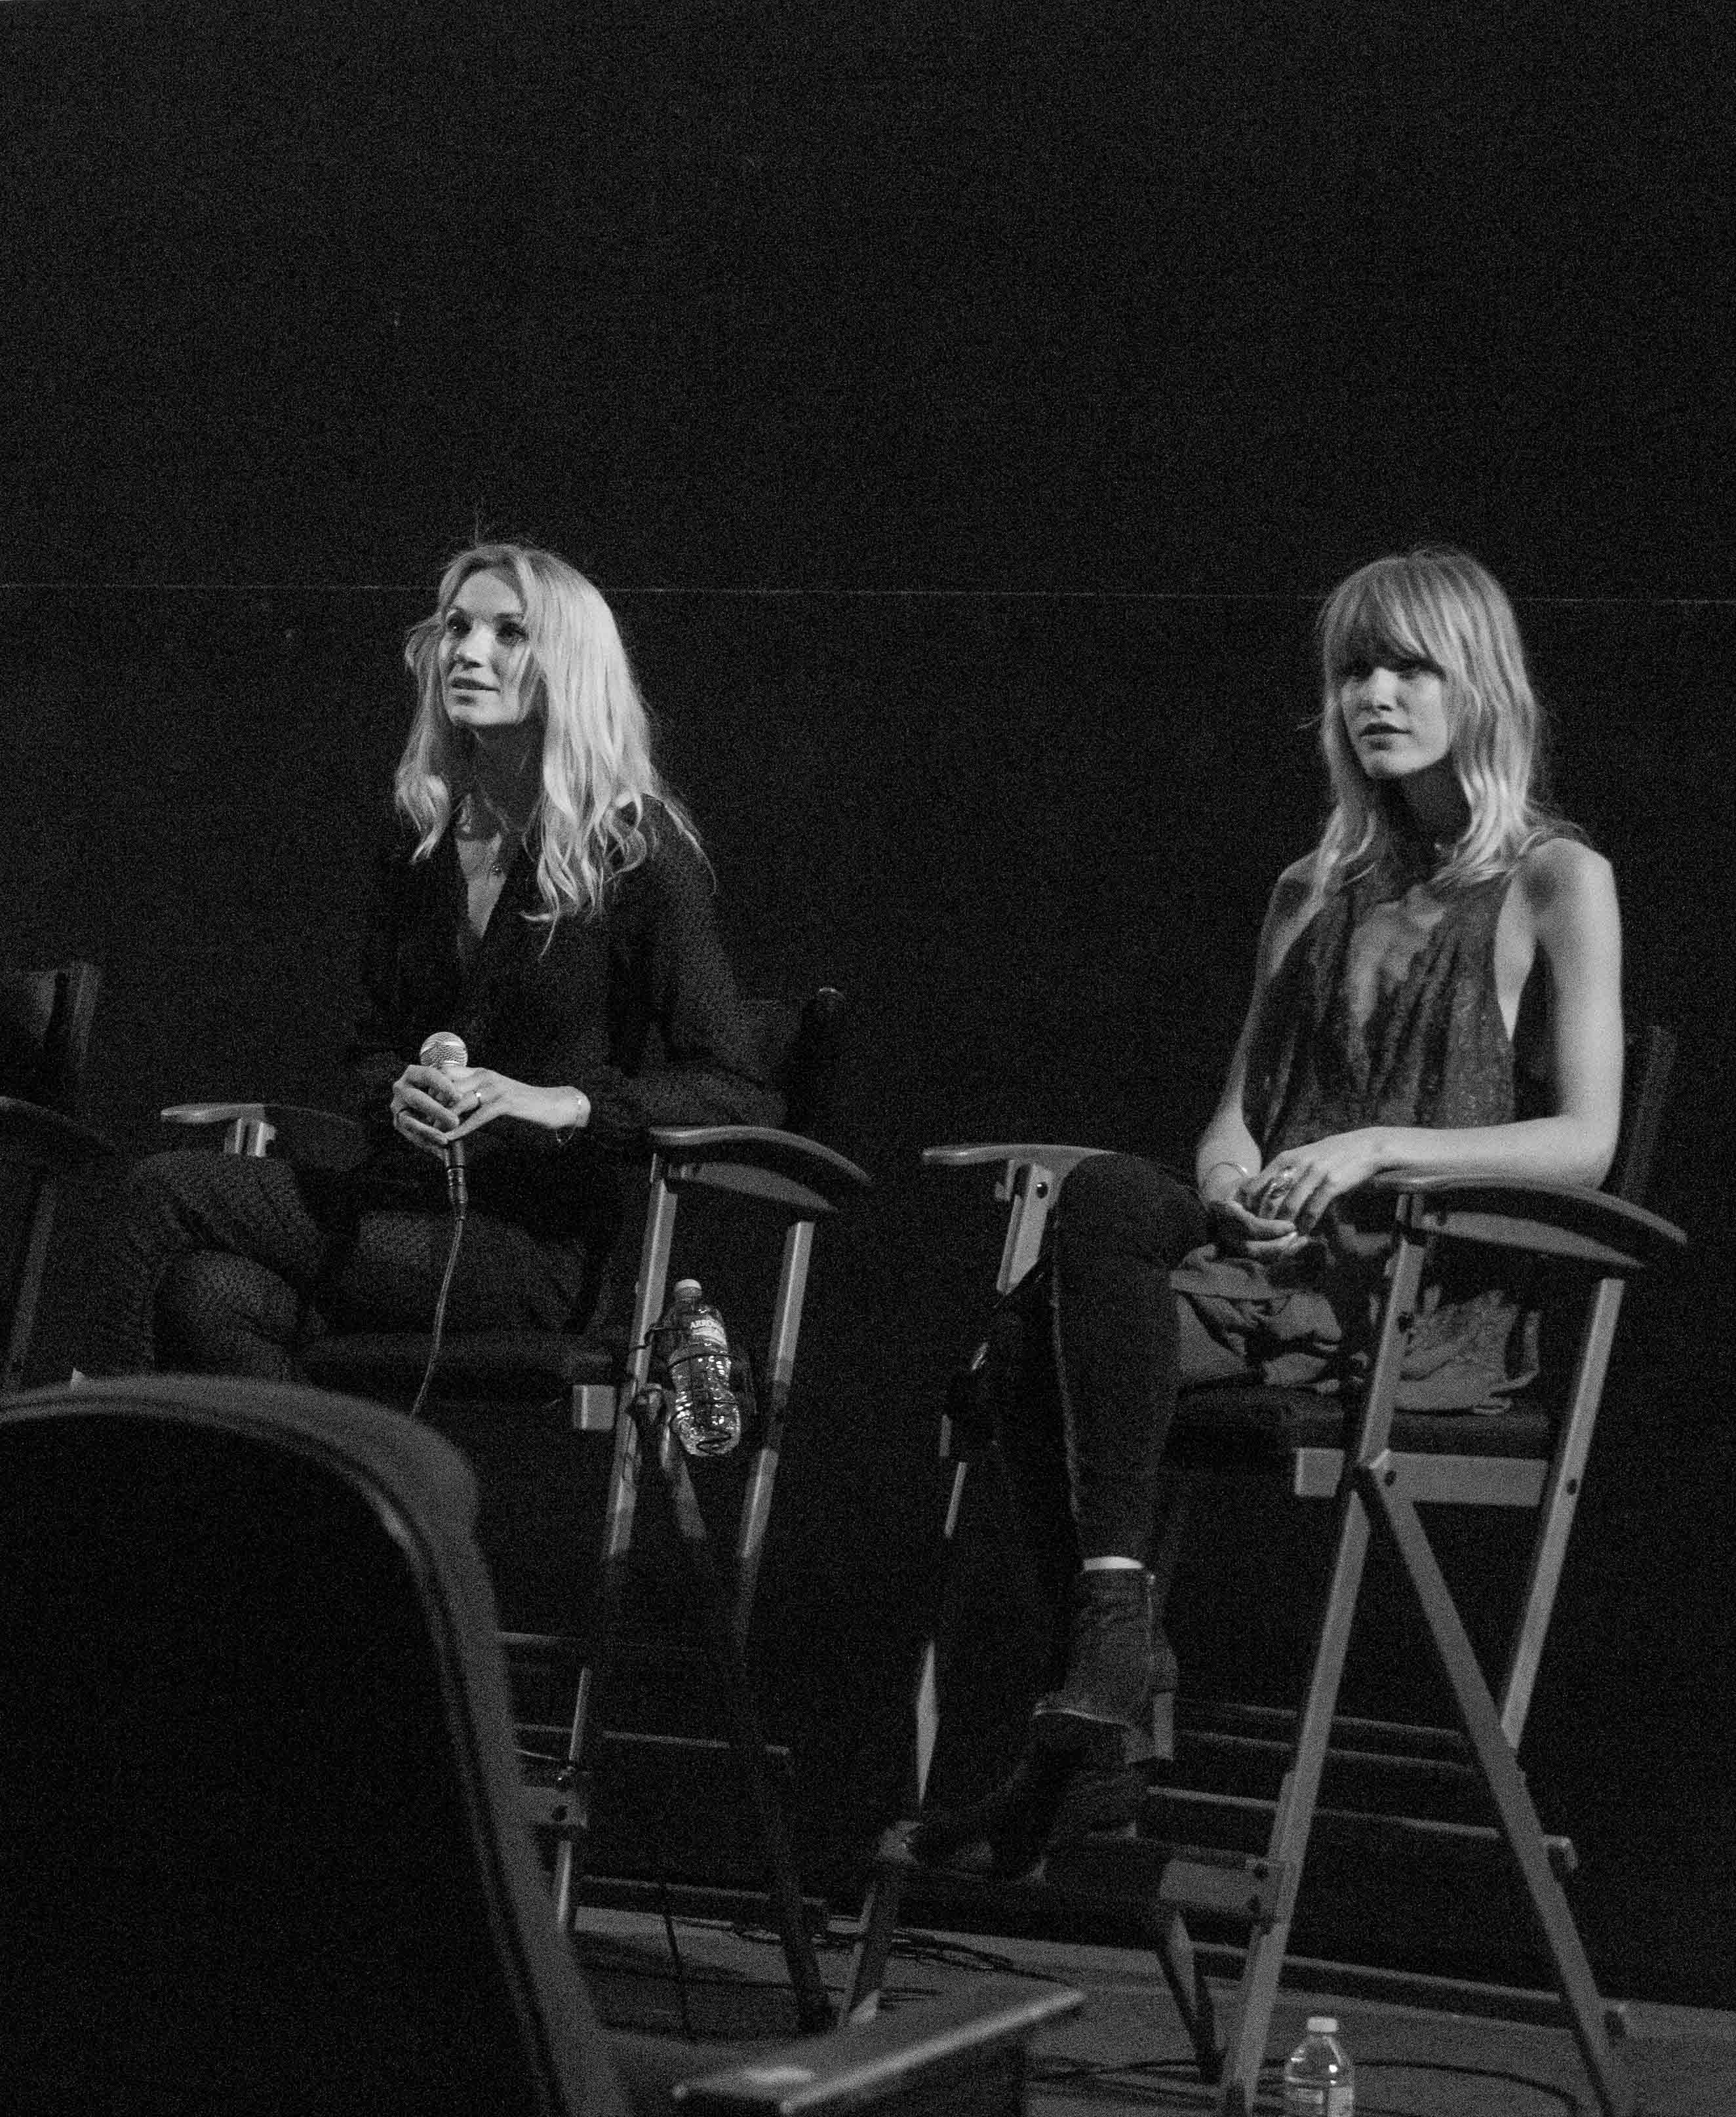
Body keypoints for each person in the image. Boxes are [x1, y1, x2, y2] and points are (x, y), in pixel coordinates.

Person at [912, 545, 1624, 1876]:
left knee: (1027, 1353)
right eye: (1355, 666)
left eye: (1411, 664)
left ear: (1481, 684)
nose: (1376, 692)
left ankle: (1086, 1737)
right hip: (1270, 1267)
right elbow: (1237, 1114)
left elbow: (1585, 1145)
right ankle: (1114, 1650)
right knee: (1117, 1199)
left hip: (1414, 1293)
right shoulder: (1311, 891)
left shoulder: (1552, 881)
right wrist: (1235, 1181)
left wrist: (1373, 1149)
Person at [96, 536, 775, 1380]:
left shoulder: (633, 850)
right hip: (403, 1207)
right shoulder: (421, 844)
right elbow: (372, 1048)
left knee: (164, 1192)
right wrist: (397, 1094)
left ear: (569, 664)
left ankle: (97, 1479)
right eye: (457, 628)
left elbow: (738, 1087)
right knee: (207, 1297)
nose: (469, 652)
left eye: (509, 634)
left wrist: (559, 1102)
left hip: (530, 1252)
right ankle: (322, 1508)